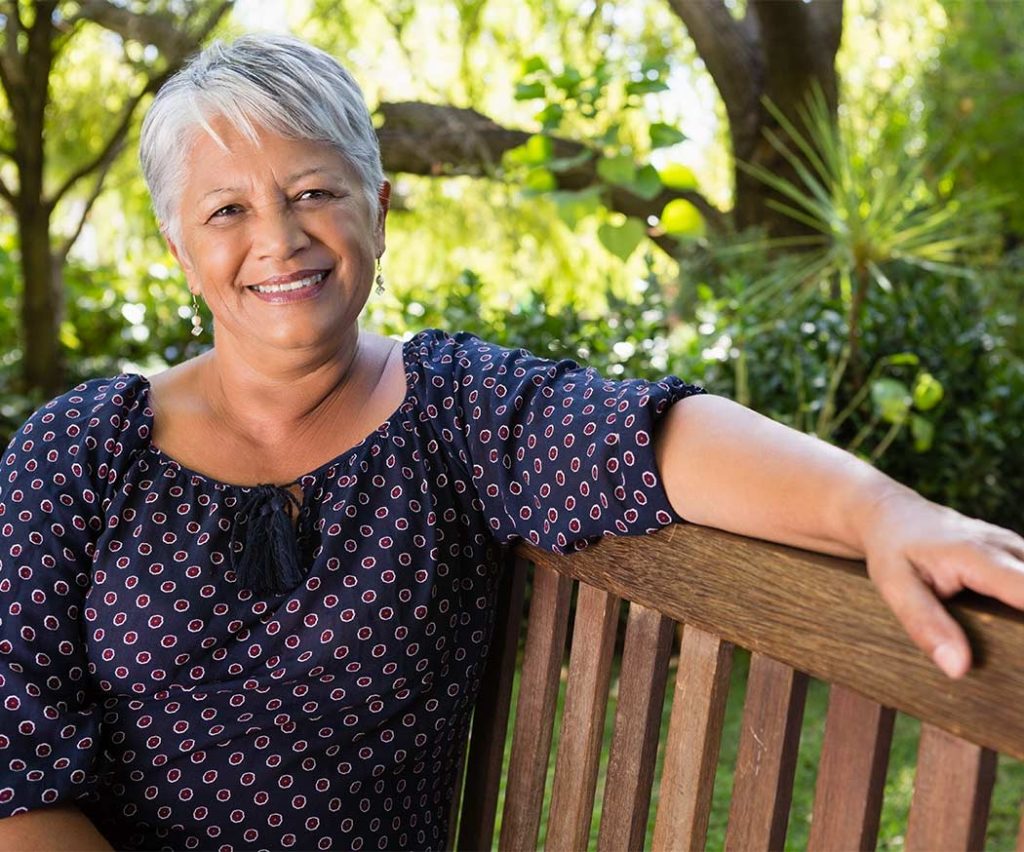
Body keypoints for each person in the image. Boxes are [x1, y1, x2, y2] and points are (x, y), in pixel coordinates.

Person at [1, 32, 1022, 852]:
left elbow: (649, 436)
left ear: (380, 208)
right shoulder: (79, 456)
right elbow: (16, 778)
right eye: (228, 210)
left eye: (314, 191)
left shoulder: (452, 411)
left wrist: (880, 509)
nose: (279, 237)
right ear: (183, 251)